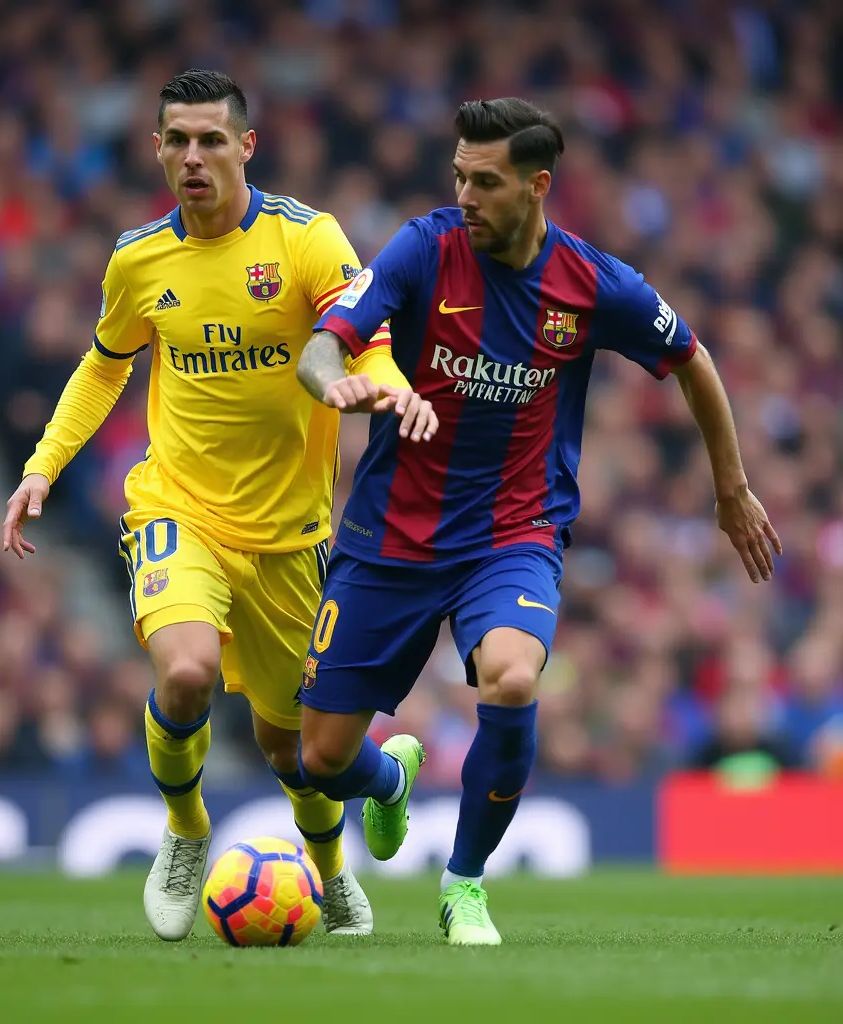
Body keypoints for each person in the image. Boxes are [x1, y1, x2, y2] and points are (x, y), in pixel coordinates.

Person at [293, 97, 782, 946]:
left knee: (514, 680)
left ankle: (464, 884)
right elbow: (322, 345)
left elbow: (693, 359)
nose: (466, 196)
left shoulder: (593, 283)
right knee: (322, 761)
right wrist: (337, 383)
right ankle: (391, 783)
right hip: (389, 536)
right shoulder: (423, 247)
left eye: (485, 182)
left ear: (537, 185)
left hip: (512, 535)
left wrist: (731, 487)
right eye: (459, 177)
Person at [2, 69, 437, 941]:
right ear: (157, 150)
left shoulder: (307, 240)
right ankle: (186, 830)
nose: (193, 157)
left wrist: (387, 388)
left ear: (247, 146)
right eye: (177, 140)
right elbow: (105, 365)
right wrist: (43, 466)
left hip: (289, 536)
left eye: (210, 140)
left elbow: (368, 341)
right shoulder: (139, 259)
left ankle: (333, 867)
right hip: (178, 508)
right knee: (187, 671)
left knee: (293, 749)